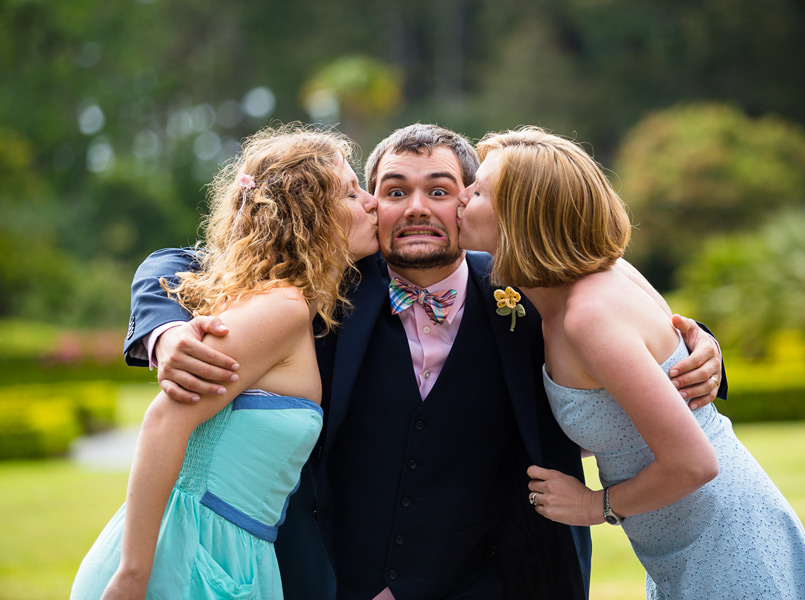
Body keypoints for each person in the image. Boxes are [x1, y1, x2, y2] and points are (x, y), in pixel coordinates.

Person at [124, 123, 725, 600]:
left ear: (469, 203)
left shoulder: (526, 289)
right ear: (369, 204)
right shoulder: (324, 287)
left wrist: (696, 346)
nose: (416, 208)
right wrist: (162, 333)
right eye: (393, 191)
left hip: (493, 581)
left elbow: (618, 300)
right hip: (334, 581)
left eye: (438, 190)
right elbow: (180, 261)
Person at [457, 126, 805, 599]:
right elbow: (630, 413)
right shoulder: (592, 279)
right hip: (685, 542)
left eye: (479, 190)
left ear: (522, 215)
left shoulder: (589, 315)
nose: (462, 196)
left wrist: (596, 506)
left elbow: (694, 462)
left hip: (723, 542)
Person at [71, 124, 379, 599]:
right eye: (351, 192)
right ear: (310, 214)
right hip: (183, 556)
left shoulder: (287, 303)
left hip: (238, 554)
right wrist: (132, 576)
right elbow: (163, 419)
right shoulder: (283, 307)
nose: (372, 202)